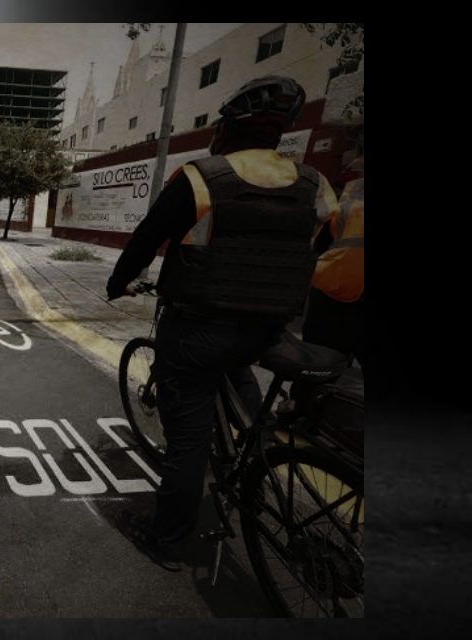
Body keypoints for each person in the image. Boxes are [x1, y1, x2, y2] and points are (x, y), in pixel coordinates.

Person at [105, 76, 340, 571]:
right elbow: (319, 244)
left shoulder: (202, 176)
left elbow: (147, 239)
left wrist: (118, 284)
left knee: (188, 440)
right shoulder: (313, 182)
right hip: (268, 327)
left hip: (197, 327)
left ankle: (167, 541)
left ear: (228, 128)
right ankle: (255, 467)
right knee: (241, 383)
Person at [302, 149, 365, 371]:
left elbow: (316, 244)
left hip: (332, 286)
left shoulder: (344, 205)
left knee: (316, 356)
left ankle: (302, 399)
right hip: (343, 288)